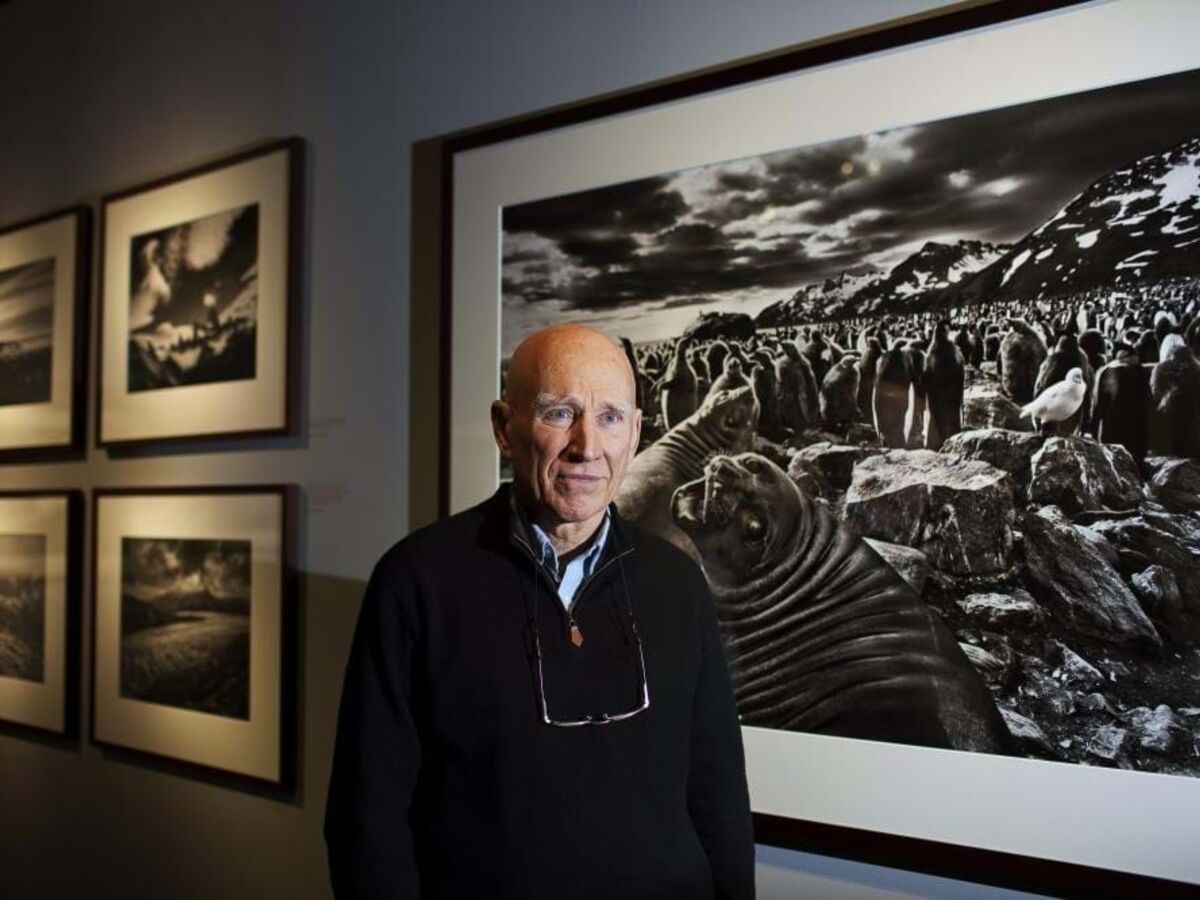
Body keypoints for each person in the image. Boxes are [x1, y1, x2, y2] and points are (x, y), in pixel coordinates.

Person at [325, 323, 755, 899]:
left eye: (609, 418)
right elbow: (367, 820)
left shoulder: (677, 581)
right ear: (505, 429)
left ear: (635, 433)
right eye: (559, 413)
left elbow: (718, 795)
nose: (586, 447)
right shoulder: (416, 581)